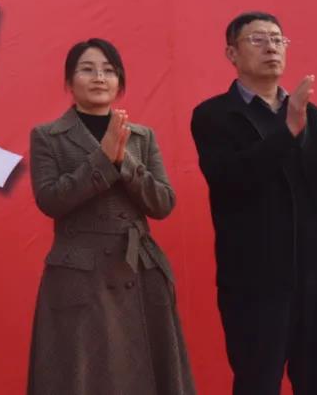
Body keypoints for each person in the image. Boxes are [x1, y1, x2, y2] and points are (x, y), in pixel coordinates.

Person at [190, 11, 317, 395]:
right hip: (257, 280)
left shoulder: (308, 112)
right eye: (258, 39)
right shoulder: (214, 115)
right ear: (231, 53)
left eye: (278, 39)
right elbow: (230, 178)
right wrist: (287, 132)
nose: (271, 47)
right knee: (258, 382)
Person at [27, 38, 194, 395]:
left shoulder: (142, 137)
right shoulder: (48, 136)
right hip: (79, 276)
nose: (99, 77)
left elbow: (163, 203)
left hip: (139, 271)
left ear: (120, 82)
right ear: (69, 82)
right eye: (87, 69)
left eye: (108, 70)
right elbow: (50, 200)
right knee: (81, 377)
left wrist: (124, 162)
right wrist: (101, 160)